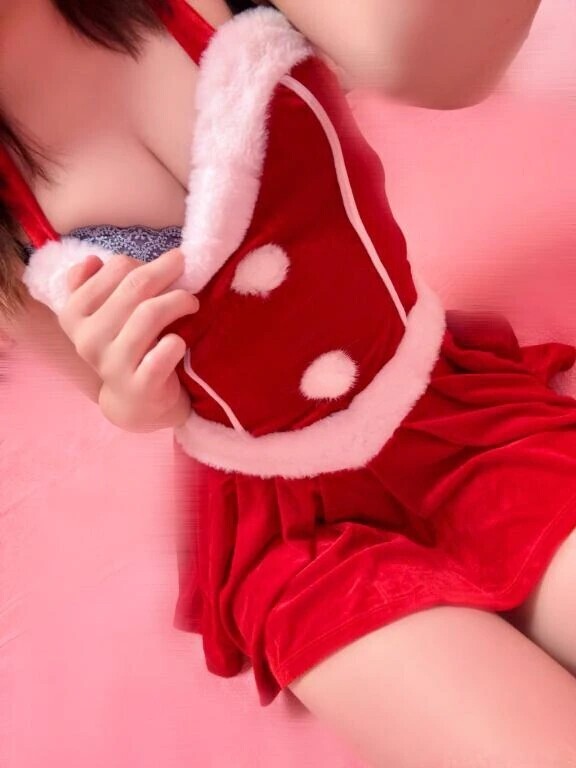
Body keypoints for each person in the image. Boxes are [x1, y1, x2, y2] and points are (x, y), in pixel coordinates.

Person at [2, 1, 576, 766]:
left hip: (451, 415)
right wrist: (133, 390)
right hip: (293, 533)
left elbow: (430, 61)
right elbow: (119, 398)